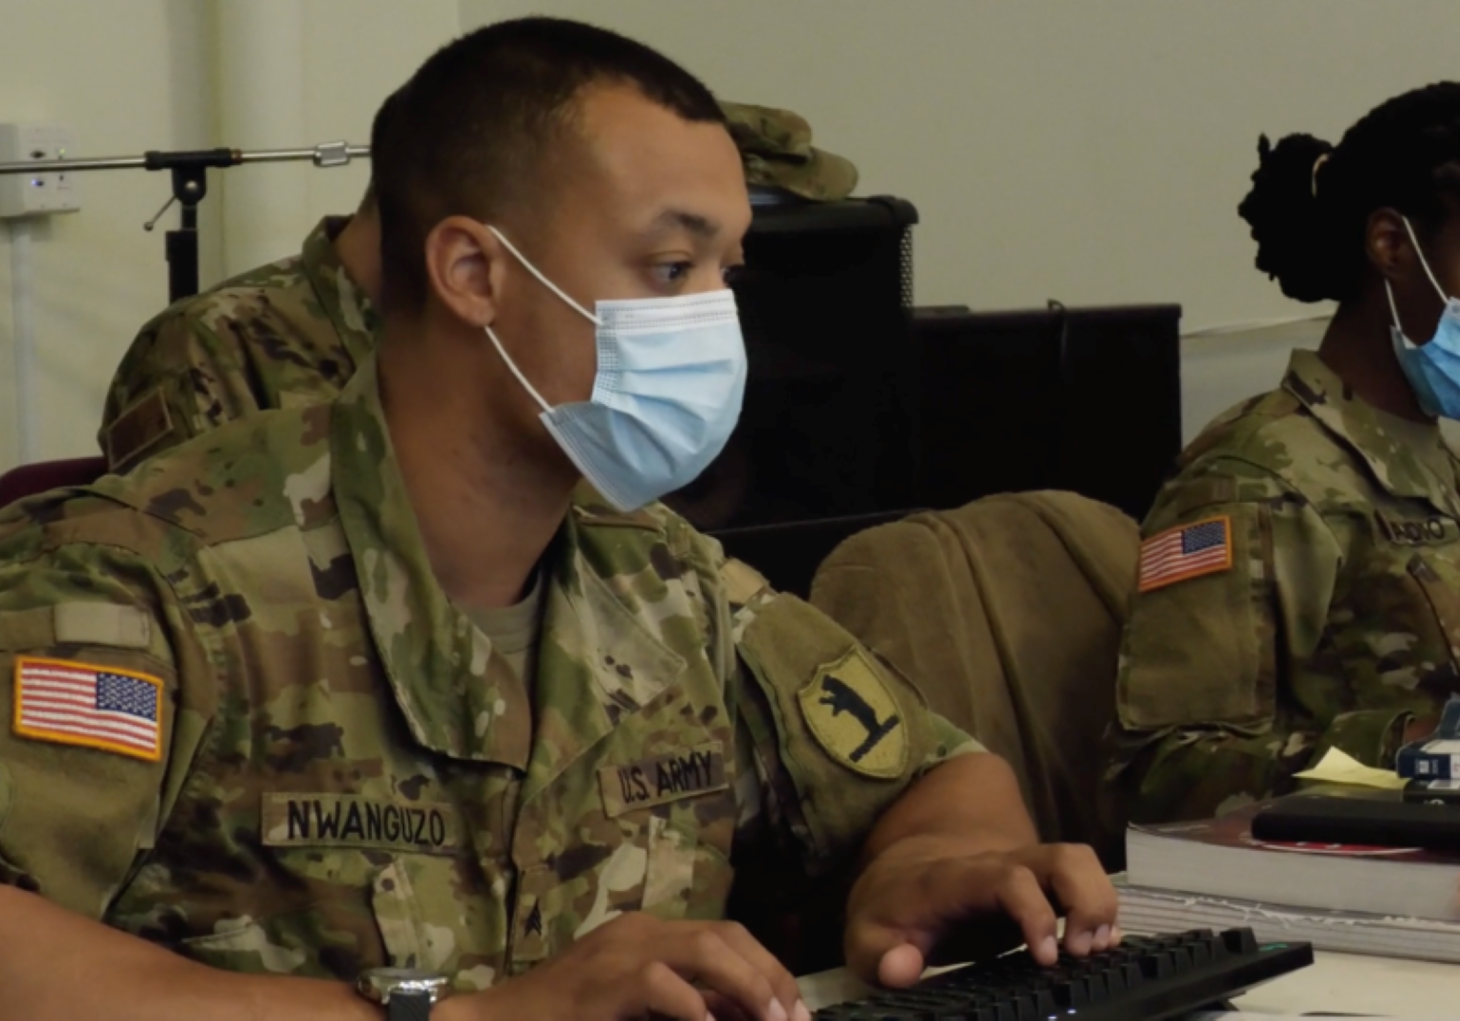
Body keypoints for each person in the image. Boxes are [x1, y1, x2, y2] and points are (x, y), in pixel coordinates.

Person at [0, 18, 1117, 1021]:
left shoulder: (666, 581)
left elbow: (932, 770)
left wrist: (917, 868)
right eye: (667, 265)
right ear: (475, 271)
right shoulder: (145, 581)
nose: (712, 323)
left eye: (725, 274)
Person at [96, 98, 851, 477]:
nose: (698, 307)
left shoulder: (527, 344)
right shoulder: (214, 349)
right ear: (467, 259)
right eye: (670, 267)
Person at [1104, 82, 1460, 827]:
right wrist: (1419, 749)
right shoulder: (1249, 479)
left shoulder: (1437, 459)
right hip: (1356, 906)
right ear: (1391, 246)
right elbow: (1158, 770)